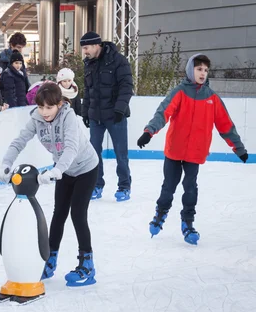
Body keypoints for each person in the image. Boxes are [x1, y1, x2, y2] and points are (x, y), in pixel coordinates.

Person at [137, 54, 249, 245]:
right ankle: (160, 214)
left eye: (205, 70)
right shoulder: (179, 92)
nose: (203, 73)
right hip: (174, 150)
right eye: (199, 69)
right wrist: (149, 131)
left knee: (190, 188)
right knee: (169, 186)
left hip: (195, 153)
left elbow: (226, 126)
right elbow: (163, 112)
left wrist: (239, 149)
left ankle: (188, 223)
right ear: (191, 70)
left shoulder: (212, 98)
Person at [0, 82, 99, 287]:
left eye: (49, 107)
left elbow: (71, 147)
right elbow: (19, 142)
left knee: (78, 214)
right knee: (58, 214)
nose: (44, 112)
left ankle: (87, 265)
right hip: (64, 170)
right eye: (41, 107)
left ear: (59, 104)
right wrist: (5, 164)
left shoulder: (68, 117)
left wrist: (56, 171)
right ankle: (50, 260)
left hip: (86, 167)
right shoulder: (36, 118)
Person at [80, 31, 134, 202]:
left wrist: (120, 109)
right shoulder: (89, 63)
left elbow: (127, 86)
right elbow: (88, 91)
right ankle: (96, 185)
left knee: (121, 153)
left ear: (97, 45)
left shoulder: (118, 60)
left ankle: (124, 186)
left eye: (86, 48)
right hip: (96, 116)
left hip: (115, 115)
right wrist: (85, 112)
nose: (85, 52)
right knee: (93, 153)